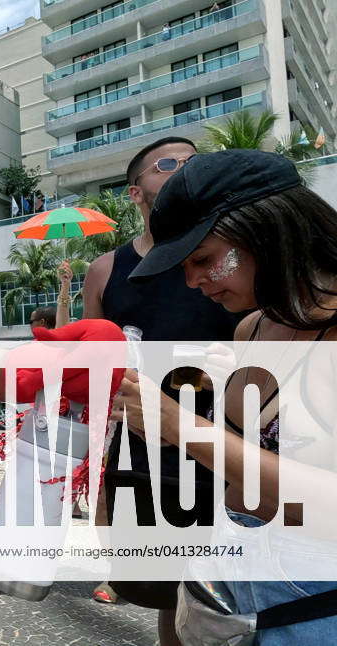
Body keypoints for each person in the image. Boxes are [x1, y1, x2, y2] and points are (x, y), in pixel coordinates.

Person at [118, 149, 337, 644]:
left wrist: (183, 427)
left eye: (204, 260)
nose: (193, 281)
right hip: (237, 593)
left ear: (266, 231)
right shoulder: (251, 329)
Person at [80, 136, 242, 635]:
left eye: (194, 162)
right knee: (166, 601)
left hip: (228, 454)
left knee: (227, 601)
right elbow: (93, 371)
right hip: (142, 460)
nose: (184, 169)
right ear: (135, 192)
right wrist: (98, 473)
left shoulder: (231, 257)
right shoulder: (107, 269)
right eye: (167, 164)